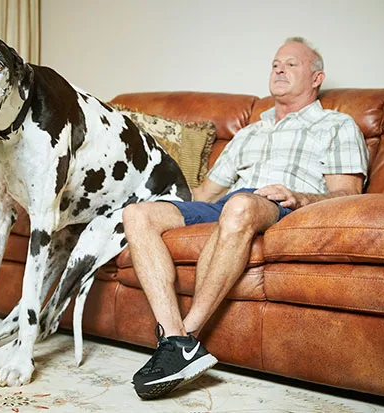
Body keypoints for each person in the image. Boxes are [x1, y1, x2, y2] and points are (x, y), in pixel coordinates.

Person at [122, 37, 370, 400]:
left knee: (239, 204)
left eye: (291, 64)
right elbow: (204, 194)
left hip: (281, 204)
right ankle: (177, 341)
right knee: (138, 214)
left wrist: (300, 196)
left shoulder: (336, 125)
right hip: (228, 203)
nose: (279, 70)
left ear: (317, 77)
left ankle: (183, 338)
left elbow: (349, 194)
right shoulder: (250, 131)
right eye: (275, 64)